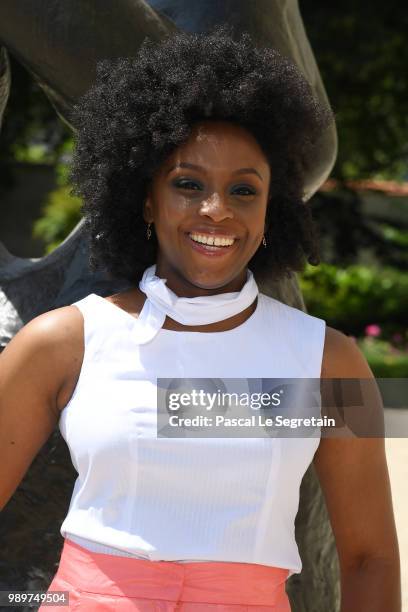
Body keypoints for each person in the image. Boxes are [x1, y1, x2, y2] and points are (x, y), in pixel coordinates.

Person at [0, 25, 400, 611]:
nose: (216, 210)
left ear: (272, 208)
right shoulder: (64, 342)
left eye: (244, 190)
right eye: (188, 184)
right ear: (145, 197)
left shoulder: (328, 360)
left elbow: (371, 559)